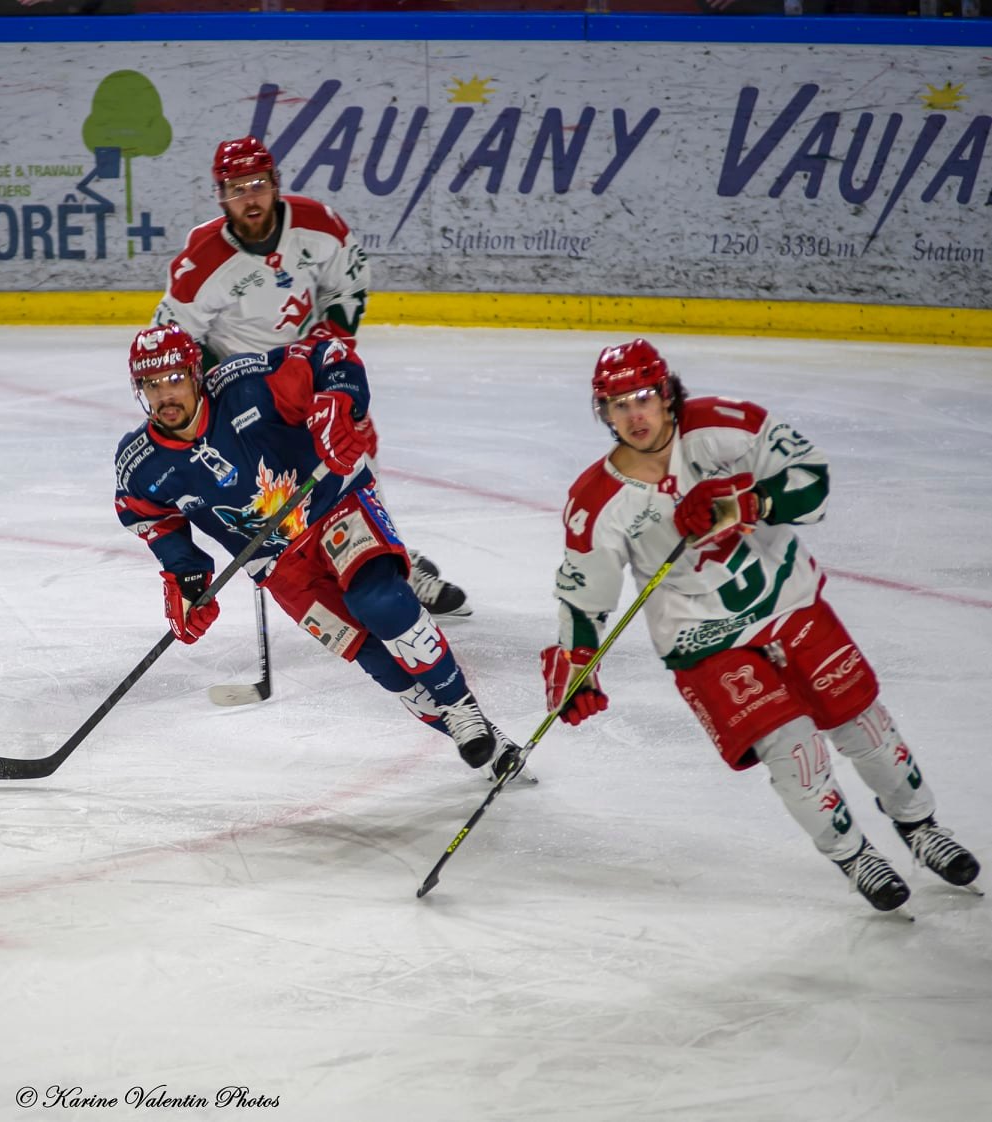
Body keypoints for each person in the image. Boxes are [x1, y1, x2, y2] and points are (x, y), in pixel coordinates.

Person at [544, 340, 980, 912]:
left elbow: (813, 481)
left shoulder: (727, 426)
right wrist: (577, 662)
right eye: (618, 404)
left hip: (789, 603)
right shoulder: (596, 499)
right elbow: (584, 601)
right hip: (702, 639)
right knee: (793, 751)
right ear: (602, 411)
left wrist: (742, 503)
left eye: (645, 398)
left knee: (864, 728)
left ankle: (920, 828)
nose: (635, 416)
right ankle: (853, 855)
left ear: (669, 393)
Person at [114, 322, 514, 770]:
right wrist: (186, 578)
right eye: (152, 384)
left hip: (334, 505)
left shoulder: (247, 385)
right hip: (280, 567)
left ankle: (461, 707)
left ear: (195, 373)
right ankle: (493, 747)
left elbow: (331, 356)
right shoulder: (141, 464)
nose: (166, 395)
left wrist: (338, 407)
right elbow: (150, 517)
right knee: (376, 659)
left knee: (377, 600)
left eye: (174, 379)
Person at [152, 134, 469, 619]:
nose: (249, 198)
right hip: (241, 395)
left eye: (257, 184)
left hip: (307, 377)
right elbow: (174, 341)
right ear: (220, 195)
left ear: (275, 183)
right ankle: (328, 579)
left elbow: (350, 284)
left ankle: (391, 566)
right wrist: (215, 394)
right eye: (236, 189)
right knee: (269, 498)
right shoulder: (201, 261)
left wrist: (321, 352)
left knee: (354, 455)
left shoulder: (320, 226)